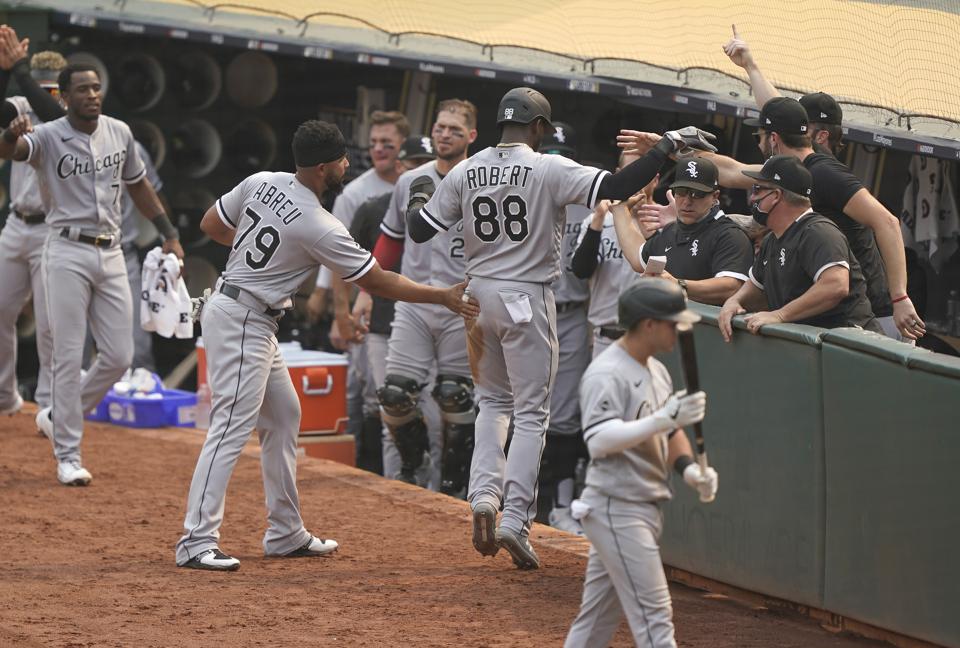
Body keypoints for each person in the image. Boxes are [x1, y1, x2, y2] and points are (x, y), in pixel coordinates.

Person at [174, 120, 479, 571]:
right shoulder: (319, 223)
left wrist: (259, 262)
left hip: (242, 309)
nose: (344, 165)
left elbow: (212, 225)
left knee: (284, 415)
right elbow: (378, 281)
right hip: (243, 318)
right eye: (339, 159)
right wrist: (443, 295)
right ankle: (196, 541)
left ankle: (284, 531)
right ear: (322, 167)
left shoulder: (264, 182)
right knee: (230, 427)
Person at [408, 87, 684, 569]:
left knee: (492, 402)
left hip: (477, 296)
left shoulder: (467, 169)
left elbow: (419, 229)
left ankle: (482, 497)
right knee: (532, 413)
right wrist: (667, 146)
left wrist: (422, 193)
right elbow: (619, 188)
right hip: (525, 296)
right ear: (538, 127)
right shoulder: (548, 166)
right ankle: (515, 517)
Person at [0, 63, 183, 486]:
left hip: (112, 249)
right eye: (82, 89)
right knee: (67, 355)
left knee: (119, 357)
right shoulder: (47, 136)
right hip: (65, 248)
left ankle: (55, 415)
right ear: (65, 98)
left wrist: (169, 233)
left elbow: (138, 184)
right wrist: (12, 134)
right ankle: (67, 453)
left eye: (96, 87)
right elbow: (9, 151)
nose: (92, 95)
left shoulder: (119, 132)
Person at [627, 97, 921, 341]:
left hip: (868, 313)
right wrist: (667, 151)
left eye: (760, 135)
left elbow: (887, 222)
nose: (753, 196)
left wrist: (899, 297)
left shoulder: (822, 179)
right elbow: (730, 171)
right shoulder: (784, 199)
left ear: (774, 138)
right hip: (817, 309)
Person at [564, 277, 717, 648]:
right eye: (672, 322)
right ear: (649, 324)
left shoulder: (656, 370)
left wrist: (690, 471)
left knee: (597, 619)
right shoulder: (607, 373)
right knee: (655, 617)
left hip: (639, 505)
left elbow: (667, 434)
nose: (678, 331)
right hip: (617, 506)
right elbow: (599, 441)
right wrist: (665, 418)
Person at [357, 99, 478, 491]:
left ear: (471, 137)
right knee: (393, 395)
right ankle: (415, 464)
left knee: (454, 397)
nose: (445, 135)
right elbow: (390, 242)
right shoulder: (412, 180)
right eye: (441, 128)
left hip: (462, 303)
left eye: (455, 130)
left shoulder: (483, 180)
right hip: (413, 303)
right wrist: (366, 291)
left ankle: (455, 483)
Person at [321, 110, 409, 474]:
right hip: (365, 301)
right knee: (363, 391)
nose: (379, 150)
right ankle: (356, 470)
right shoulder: (356, 193)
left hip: (406, 303)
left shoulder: (418, 184)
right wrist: (332, 305)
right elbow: (334, 249)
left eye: (387, 143)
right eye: (373, 143)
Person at [348, 134, 437, 480]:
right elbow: (351, 264)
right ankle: (393, 486)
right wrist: (357, 300)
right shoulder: (374, 208)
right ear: (401, 168)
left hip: (434, 318)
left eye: (424, 164)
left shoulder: (451, 206)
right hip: (386, 321)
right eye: (414, 164)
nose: (421, 172)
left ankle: (436, 493)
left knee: (437, 413)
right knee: (391, 408)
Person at [718, 155, 880, 338]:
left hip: (855, 345)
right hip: (820, 350)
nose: (752, 198)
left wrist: (780, 315)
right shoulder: (772, 240)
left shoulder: (817, 232)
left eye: (756, 189)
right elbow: (757, 287)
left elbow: (836, 285)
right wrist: (734, 301)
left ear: (776, 196)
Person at [0, 32, 65, 415]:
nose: (49, 93)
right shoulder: (22, 101)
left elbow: (54, 114)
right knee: (1, 311)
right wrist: (6, 72)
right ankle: (6, 396)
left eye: (55, 87)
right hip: (17, 224)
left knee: (49, 323)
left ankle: (48, 404)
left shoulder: (68, 114)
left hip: (51, 228)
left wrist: (21, 74)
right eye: (44, 86)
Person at [536, 121, 593, 533]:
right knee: (519, 405)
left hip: (575, 312)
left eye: (563, 156)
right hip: (531, 306)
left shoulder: (592, 199)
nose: (556, 162)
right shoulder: (528, 190)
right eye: (549, 155)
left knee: (566, 412)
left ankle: (559, 498)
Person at [614, 157, 754, 306]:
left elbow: (731, 287)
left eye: (697, 193)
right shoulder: (673, 229)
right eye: (681, 192)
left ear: (715, 196)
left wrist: (679, 285)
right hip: (668, 325)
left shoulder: (729, 234)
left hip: (704, 327)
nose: (687, 201)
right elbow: (637, 258)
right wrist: (620, 211)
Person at [722, 25, 845, 157]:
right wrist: (750, 66)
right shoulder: (808, 163)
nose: (791, 128)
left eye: (801, 124)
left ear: (821, 137)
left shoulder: (820, 172)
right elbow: (777, 111)